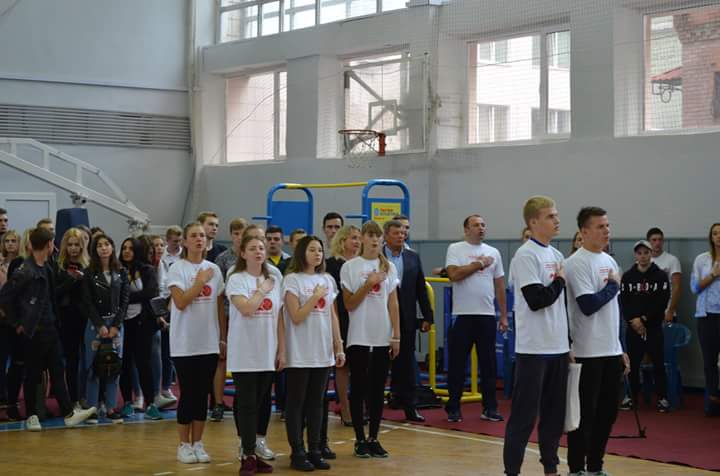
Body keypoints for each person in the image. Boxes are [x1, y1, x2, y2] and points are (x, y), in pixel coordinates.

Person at [0, 227, 96, 431]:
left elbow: (51, 298)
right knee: (32, 373)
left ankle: (68, 413)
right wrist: (17, 323)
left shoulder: (47, 268)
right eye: (53, 242)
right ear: (48, 244)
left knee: (58, 371)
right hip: (33, 330)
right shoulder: (25, 271)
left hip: (51, 328)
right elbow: (5, 297)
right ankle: (32, 415)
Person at [503, 196, 569, 476]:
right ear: (533, 222)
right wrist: (560, 280)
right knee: (524, 415)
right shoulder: (526, 256)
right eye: (550, 216)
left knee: (554, 415)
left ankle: (551, 468)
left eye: (556, 215)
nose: (557, 220)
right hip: (533, 349)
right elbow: (536, 300)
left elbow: (563, 306)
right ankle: (512, 471)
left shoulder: (556, 256)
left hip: (558, 347)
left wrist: (569, 343)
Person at [564, 207, 630, 476]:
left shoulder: (609, 261)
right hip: (586, 351)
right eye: (600, 226)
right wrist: (613, 286)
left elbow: (614, 312)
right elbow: (588, 304)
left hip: (610, 350)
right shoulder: (575, 263)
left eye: (607, 225)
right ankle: (576, 468)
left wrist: (620, 348)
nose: (607, 231)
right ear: (584, 231)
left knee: (608, 413)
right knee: (584, 416)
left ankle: (595, 466)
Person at [282, 235, 345, 470]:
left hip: (322, 350)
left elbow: (332, 315)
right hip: (300, 351)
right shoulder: (292, 280)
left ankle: (315, 449)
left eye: (319, 250)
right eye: (312, 250)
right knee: (296, 402)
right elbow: (296, 316)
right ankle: (297, 451)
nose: (317, 254)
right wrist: (315, 296)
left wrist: (338, 345)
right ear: (302, 253)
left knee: (317, 403)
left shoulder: (327, 279)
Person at [166, 222, 226, 464]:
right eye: (194, 235)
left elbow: (219, 306)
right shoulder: (177, 268)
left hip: (208, 342)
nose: (199, 239)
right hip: (184, 343)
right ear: (185, 241)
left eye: (202, 235)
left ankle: (198, 443)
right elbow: (180, 302)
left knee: (202, 394)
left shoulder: (214, 269)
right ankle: (183, 444)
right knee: (188, 393)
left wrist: (222, 337)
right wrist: (200, 282)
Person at [341, 221, 401, 458]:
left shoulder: (389, 267)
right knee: (358, 387)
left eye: (378, 236)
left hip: (381, 335)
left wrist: (396, 335)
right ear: (362, 239)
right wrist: (369, 283)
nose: (375, 240)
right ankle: (359, 438)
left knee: (377, 389)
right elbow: (349, 303)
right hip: (359, 335)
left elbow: (392, 303)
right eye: (370, 235)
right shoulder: (350, 267)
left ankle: (374, 437)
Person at [225, 234, 283, 475]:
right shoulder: (236, 278)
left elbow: (279, 317)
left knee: (260, 404)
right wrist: (261, 291)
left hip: (267, 350)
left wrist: (282, 349)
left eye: (261, 248)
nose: (258, 251)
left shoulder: (274, 278)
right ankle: (247, 454)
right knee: (247, 404)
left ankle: (254, 452)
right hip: (244, 351)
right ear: (243, 253)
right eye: (252, 248)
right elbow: (247, 308)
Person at [444, 214, 507, 423]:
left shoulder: (494, 252)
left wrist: (503, 315)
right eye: (476, 225)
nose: (481, 228)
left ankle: (490, 408)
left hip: (486, 315)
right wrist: (479, 264)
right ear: (466, 229)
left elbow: (500, 285)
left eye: (483, 225)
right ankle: (454, 407)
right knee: (457, 363)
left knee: (488, 364)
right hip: (462, 315)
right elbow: (454, 275)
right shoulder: (456, 249)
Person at [383, 219, 433, 422]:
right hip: (380, 317)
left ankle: (410, 407)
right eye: (396, 233)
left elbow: (421, 288)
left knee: (407, 364)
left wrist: (428, 316)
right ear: (386, 235)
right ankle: (371, 407)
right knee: (377, 363)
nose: (401, 236)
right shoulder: (377, 257)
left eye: (403, 233)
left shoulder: (413, 257)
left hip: (407, 318)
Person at [80, 233, 128, 423]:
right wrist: (99, 325)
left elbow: (124, 301)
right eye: (99, 245)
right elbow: (87, 301)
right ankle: (92, 408)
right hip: (95, 325)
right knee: (93, 366)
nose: (103, 248)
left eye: (107, 244)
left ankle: (110, 408)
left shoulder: (121, 272)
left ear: (112, 247)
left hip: (116, 325)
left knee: (113, 366)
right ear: (95, 250)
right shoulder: (88, 273)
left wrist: (116, 325)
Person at [620, 240, 671, 412]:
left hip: (653, 327)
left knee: (658, 363)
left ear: (651, 254)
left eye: (646, 253)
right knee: (633, 365)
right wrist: (633, 320)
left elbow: (662, 301)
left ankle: (662, 397)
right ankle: (632, 396)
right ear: (635, 255)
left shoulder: (660, 276)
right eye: (639, 253)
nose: (643, 256)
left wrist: (644, 319)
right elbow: (624, 302)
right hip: (633, 328)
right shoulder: (627, 277)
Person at [118, 237, 163, 420]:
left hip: (143, 322)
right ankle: (127, 402)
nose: (127, 251)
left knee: (144, 363)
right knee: (125, 364)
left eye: (130, 248)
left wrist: (126, 298)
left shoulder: (147, 270)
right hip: (123, 322)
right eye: (124, 248)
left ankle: (151, 403)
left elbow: (150, 293)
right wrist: (128, 297)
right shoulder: (117, 270)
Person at [210, 218, 248, 422]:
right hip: (226, 313)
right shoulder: (223, 259)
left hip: (247, 316)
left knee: (244, 358)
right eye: (236, 233)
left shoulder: (255, 257)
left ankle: (243, 401)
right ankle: (217, 402)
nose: (240, 237)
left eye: (243, 233)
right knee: (222, 357)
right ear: (232, 235)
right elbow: (218, 292)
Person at [326, 225, 361, 426]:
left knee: (360, 365)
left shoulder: (362, 263)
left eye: (358, 238)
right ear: (342, 241)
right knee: (342, 364)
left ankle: (358, 405)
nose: (357, 241)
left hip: (361, 317)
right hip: (340, 316)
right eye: (353, 238)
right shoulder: (332, 264)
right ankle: (345, 407)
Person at [56, 228, 91, 409]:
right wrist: (72, 279)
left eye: (77, 244)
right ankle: (74, 399)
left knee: (89, 360)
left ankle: (89, 396)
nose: (73, 248)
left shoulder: (89, 265)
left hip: (87, 318)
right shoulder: (59, 266)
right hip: (67, 318)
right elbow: (55, 293)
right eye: (70, 245)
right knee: (72, 360)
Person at [690, 222, 720, 410]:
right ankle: (713, 400)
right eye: (715, 233)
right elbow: (694, 288)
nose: (718, 236)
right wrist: (713, 275)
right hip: (706, 316)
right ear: (711, 237)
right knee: (709, 360)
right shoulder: (702, 260)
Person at [647, 227, 682, 324]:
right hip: (647, 313)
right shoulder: (643, 261)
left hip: (666, 312)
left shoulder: (672, 260)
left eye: (660, 240)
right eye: (654, 240)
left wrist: (670, 311)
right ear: (648, 242)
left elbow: (677, 288)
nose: (657, 243)